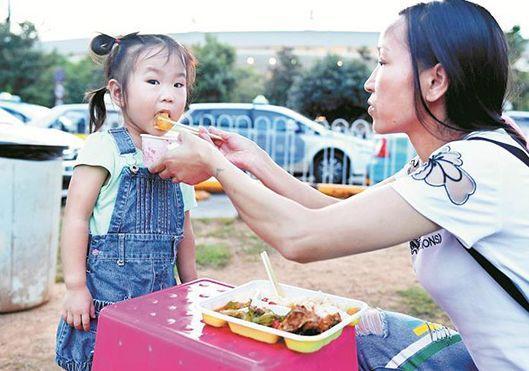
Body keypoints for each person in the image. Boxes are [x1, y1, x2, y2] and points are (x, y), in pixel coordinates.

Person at [151, 0, 529, 369]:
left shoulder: (473, 166)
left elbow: (300, 237)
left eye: (382, 62)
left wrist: (213, 164)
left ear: (436, 80)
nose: (369, 83)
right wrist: (253, 161)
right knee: (360, 328)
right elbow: (331, 214)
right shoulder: (454, 160)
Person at [55, 33, 198, 370]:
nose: (168, 95)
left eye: (178, 85)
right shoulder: (104, 148)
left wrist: (192, 285)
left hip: (163, 307)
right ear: (118, 93)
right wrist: (75, 287)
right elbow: (76, 217)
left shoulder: (182, 157)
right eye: (153, 81)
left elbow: (185, 231)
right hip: (106, 309)